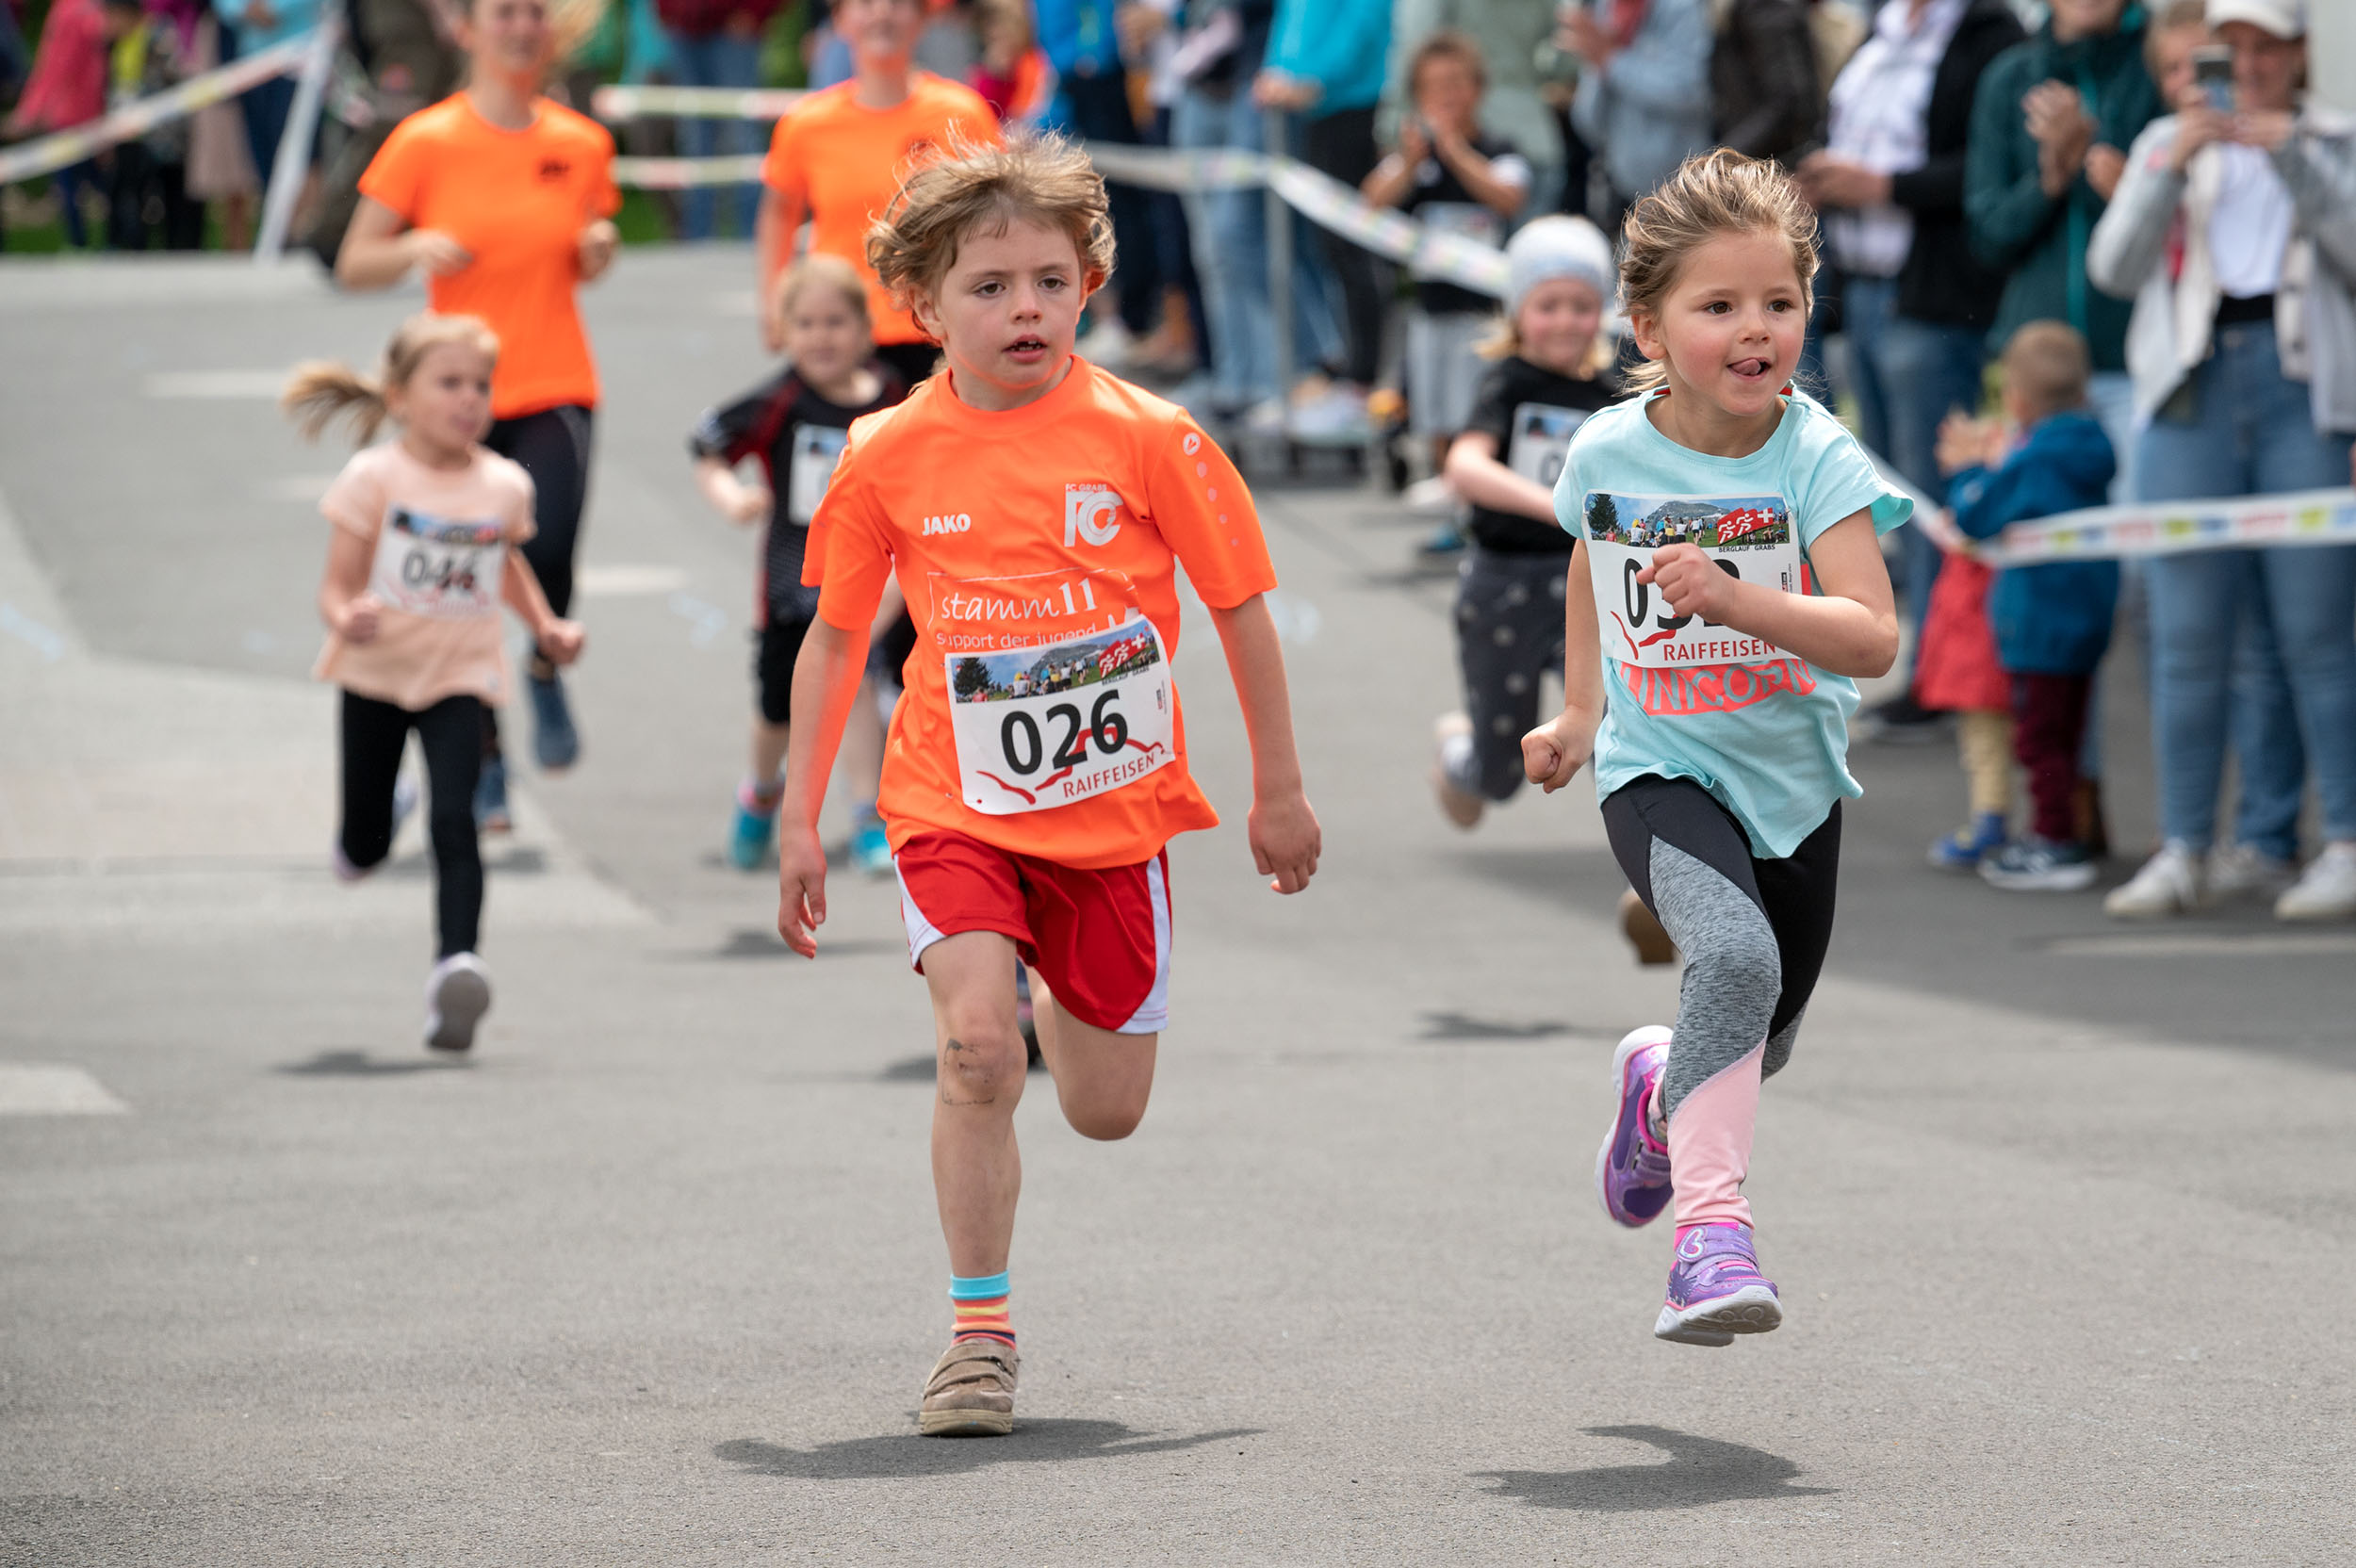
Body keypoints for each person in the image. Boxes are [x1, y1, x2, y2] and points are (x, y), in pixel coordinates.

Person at [772, 136, 1320, 1434]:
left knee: (1106, 1111)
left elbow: (1240, 607)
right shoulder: (885, 452)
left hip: (1109, 813)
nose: (1025, 308)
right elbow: (836, 639)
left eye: (1050, 282)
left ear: (1087, 286)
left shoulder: (1152, 437)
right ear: (923, 305)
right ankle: (978, 1338)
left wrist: (1278, 789)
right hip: (948, 800)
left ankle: (1057, 989)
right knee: (976, 1053)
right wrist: (800, 816)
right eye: (990, 286)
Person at [1522, 149, 1907, 1343]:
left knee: (1754, 1039)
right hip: (1659, 767)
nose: (1756, 330)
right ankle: (1709, 1239)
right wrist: (1580, 712)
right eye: (1720, 305)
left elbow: (1872, 634)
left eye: (1779, 303)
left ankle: (1655, 1097)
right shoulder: (1607, 451)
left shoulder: (1816, 456)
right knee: (1732, 963)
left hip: (1792, 783)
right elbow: (1592, 562)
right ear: (1647, 326)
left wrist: (1743, 601)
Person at [2087, 0, 2356, 923]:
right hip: (2189, 392)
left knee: (2317, 632)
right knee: (2186, 634)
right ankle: (2184, 846)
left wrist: (2290, 156)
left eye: (2264, 48)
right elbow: (2114, 269)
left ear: (2296, 54)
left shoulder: (2334, 137)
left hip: (2301, 394)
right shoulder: (2165, 140)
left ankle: (2342, 842)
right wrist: (2171, 164)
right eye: (2228, 49)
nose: (2245, 67)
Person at [336, 0, 620, 827]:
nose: (521, 28)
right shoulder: (425, 139)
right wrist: (408, 249)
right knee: (467, 577)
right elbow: (353, 260)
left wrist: (598, 250)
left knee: (548, 550)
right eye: (503, 13)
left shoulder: (581, 142)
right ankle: (483, 755)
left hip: (556, 382)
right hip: (455, 396)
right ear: (466, 29)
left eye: (534, 13)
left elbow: (586, 246)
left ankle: (543, 665)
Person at [283, 313, 586, 1054]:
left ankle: (457, 967)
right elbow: (335, 585)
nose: (469, 399)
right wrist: (345, 615)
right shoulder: (374, 477)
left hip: (461, 675)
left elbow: (504, 562)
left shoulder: (504, 485)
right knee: (361, 849)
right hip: (377, 673)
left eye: (480, 385)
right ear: (400, 396)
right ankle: (376, 824)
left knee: (458, 820)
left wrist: (545, 626)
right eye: (448, 383)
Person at [1796, 0, 2024, 743]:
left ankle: (1943, 677)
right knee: (1888, 496)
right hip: (1862, 287)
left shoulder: (1989, 33)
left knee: (1931, 498)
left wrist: (1885, 187)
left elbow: (1987, 171)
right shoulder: (1887, 25)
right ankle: (1925, 667)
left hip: (1930, 298)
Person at [688, 253, 908, 871]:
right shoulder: (781, 400)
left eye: (836, 322)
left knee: (857, 681)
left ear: (865, 329)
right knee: (777, 711)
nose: (821, 337)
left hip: (863, 576)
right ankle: (761, 790)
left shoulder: (892, 396)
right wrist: (732, 498)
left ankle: (867, 817)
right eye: (806, 324)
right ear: (785, 333)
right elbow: (707, 445)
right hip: (791, 585)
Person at [1432, 215, 1621, 826]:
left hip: (1588, 589)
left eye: (1581, 306)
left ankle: (1656, 861)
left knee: (1617, 744)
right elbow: (1464, 465)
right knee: (1503, 772)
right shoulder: (1508, 383)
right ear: (1518, 312)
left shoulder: (1614, 396)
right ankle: (1459, 757)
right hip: (1503, 587)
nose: (1565, 321)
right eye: (1548, 305)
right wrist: (1555, 506)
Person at [1938, 321, 2119, 890]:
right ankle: (2069, 829)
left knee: (2040, 740)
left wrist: (1968, 469)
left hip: (2039, 624)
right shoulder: (2094, 445)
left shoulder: (2035, 461)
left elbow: (1976, 514)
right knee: (2069, 731)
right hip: (2087, 617)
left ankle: (2054, 840)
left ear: (2016, 400)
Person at [1963, 0, 2162, 494]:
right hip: (2037, 379)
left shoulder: (2159, 65)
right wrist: (2049, 181)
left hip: (2139, 361)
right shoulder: (2009, 77)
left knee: (2139, 537)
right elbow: (1988, 237)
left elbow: (2187, 219)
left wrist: (2118, 183)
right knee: (2039, 530)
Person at [754, 0, 1000, 384]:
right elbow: (779, 212)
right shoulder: (806, 123)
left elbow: (997, 217)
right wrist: (775, 304)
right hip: (841, 332)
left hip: (941, 328)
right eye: (865, 3)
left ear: (922, 19)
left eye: (899, 3)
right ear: (839, 19)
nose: (882, 13)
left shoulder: (962, 113)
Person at [1363, 29, 1530, 548]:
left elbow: (1508, 195)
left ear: (1478, 89)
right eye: (1434, 88)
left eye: (1456, 84)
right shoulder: (1415, 159)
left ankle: (1479, 510)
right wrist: (1413, 161)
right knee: (1435, 412)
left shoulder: (1497, 150)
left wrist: (1455, 150)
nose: (1446, 97)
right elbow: (1371, 200)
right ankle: (1454, 510)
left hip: (1480, 313)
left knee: (1472, 411)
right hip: (1428, 308)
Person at [1256, 0, 1393, 442]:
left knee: (1355, 250)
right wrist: (1276, 71)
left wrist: (1313, 80)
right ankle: (1349, 373)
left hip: (1354, 106)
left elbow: (1365, 19)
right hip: (1317, 110)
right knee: (1331, 249)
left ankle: (1365, 382)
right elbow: (1293, 18)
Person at [1564, 0, 1713, 227]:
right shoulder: (1606, 8)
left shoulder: (1681, 9)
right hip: (1622, 193)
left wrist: (1612, 61)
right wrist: (1600, 64)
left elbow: (1689, 92)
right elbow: (1587, 121)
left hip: (1684, 194)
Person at [658, 0, 775, 240]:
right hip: (685, 30)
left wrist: (755, 13)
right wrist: (668, 12)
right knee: (694, 138)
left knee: (742, 135)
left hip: (734, 30)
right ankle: (698, 238)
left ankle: (752, 236)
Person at [1710, 0, 1825, 169]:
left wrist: (1726, 157)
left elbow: (1788, 100)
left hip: (1771, 162)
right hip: (1757, 156)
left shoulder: (1766, 7)